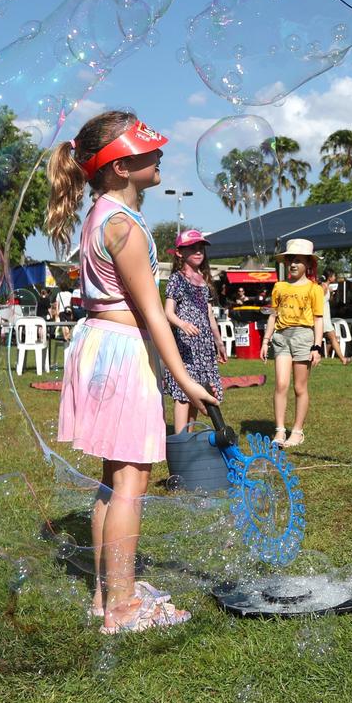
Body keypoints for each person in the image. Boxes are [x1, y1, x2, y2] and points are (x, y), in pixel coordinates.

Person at [46, 111, 216, 634]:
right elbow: (152, 315)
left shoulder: (100, 213)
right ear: (121, 167)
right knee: (131, 483)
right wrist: (186, 380)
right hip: (122, 352)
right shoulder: (125, 227)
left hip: (99, 347)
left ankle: (106, 594)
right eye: (148, 150)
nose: (159, 154)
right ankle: (123, 607)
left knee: (113, 478)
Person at [260, 239, 324, 447]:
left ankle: (297, 431)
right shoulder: (279, 287)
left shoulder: (314, 289)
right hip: (281, 337)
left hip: (303, 337)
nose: (293, 264)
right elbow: (272, 315)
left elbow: (318, 319)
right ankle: (279, 430)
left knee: (299, 387)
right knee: (281, 384)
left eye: (298, 260)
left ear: (308, 264)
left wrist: (317, 346)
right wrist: (265, 340)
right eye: (290, 261)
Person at [163, 229, 227, 433]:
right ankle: (180, 439)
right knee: (184, 392)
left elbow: (210, 316)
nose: (198, 251)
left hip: (203, 345)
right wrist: (182, 324)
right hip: (185, 346)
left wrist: (218, 342)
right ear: (180, 253)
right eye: (193, 248)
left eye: (201, 248)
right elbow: (168, 312)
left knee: (200, 388)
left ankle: (188, 435)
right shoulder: (177, 279)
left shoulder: (203, 281)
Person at [319, 270, 352, 364]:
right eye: (334, 276)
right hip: (322, 316)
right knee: (331, 338)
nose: (335, 278)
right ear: (329, 277)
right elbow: (319, 301)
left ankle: (343, 359)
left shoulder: (327, 287)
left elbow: (328, 301)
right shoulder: (323, 287)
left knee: (327, 338)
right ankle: (343, 359)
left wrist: (332, 294)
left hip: (325, 316)